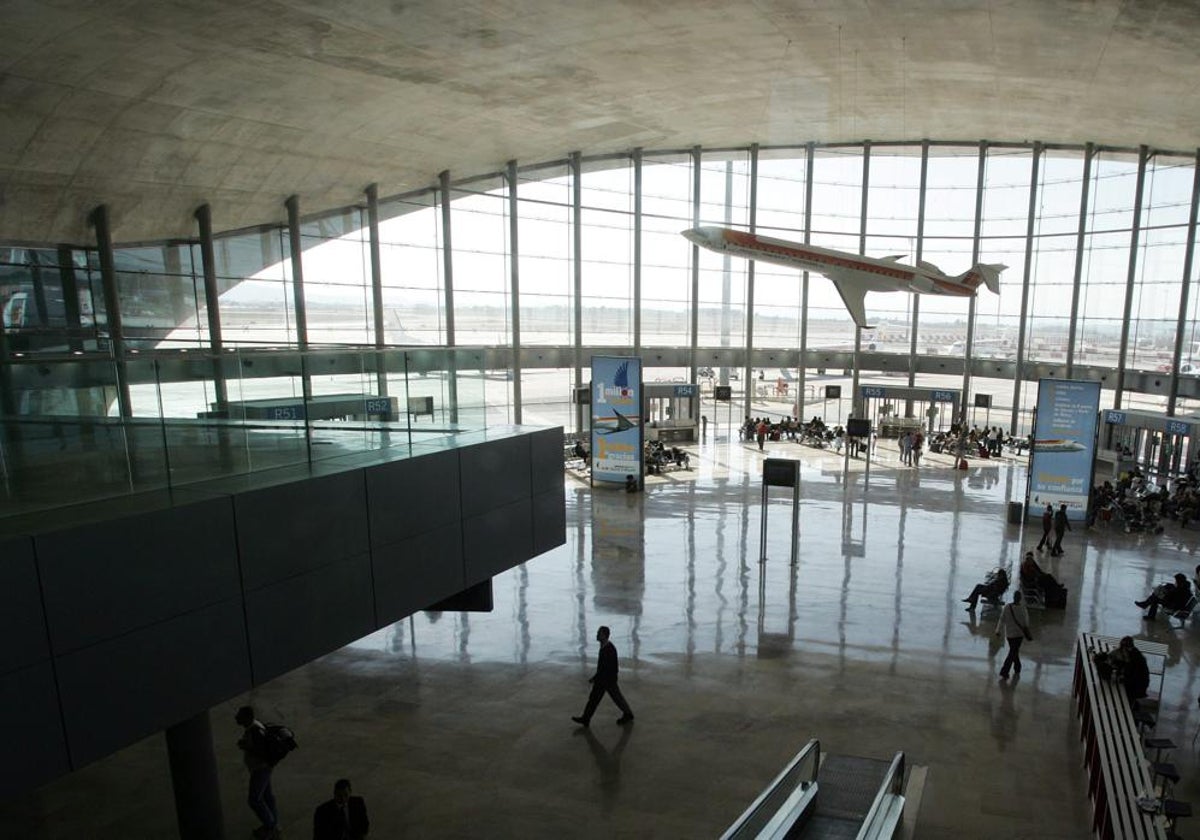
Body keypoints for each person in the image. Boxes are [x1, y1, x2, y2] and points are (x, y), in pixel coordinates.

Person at [572, 626, 634, 727]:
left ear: (604, 636)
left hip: (607, 680)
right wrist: (596, 677)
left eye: (599, 633)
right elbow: (602, 667)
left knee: (614, 698)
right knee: (595, 699)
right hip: (603, 679)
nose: (597, 635)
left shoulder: (609, 649)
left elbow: (610, 667)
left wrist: (598, 678)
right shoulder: (604, 647)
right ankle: (586, 718)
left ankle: (628, 714)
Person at [236, 705, 280, 840]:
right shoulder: (254, 727)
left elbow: (261, 752)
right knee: (267, 796)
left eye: (240, 716)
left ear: (247, 718)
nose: (236, 718)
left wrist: (247, 747)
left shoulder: (255, 730)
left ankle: (270, 825)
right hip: (261, 768)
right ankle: (272, 825)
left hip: (260, 769)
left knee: (254, 799)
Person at [996, 590, 1032, 679]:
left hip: (1009, 634)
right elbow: (1026, 623)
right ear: (1020, 598)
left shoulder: (1007, 607)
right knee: (1013, 652)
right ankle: (1005, 671)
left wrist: (998, 630)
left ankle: (1017, 667)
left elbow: (1001, 619)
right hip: (1019, 635)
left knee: (1013, 651)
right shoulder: (1023, 609)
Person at [1109, 636, 1150, 704]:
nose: (1122, 650)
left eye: (1123, 649)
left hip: (1136, 688)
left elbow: (1133, 677)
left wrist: (1121, 678)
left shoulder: (1136, 660)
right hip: (1135, 684)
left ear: (1128, 648)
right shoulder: (1133, 654)